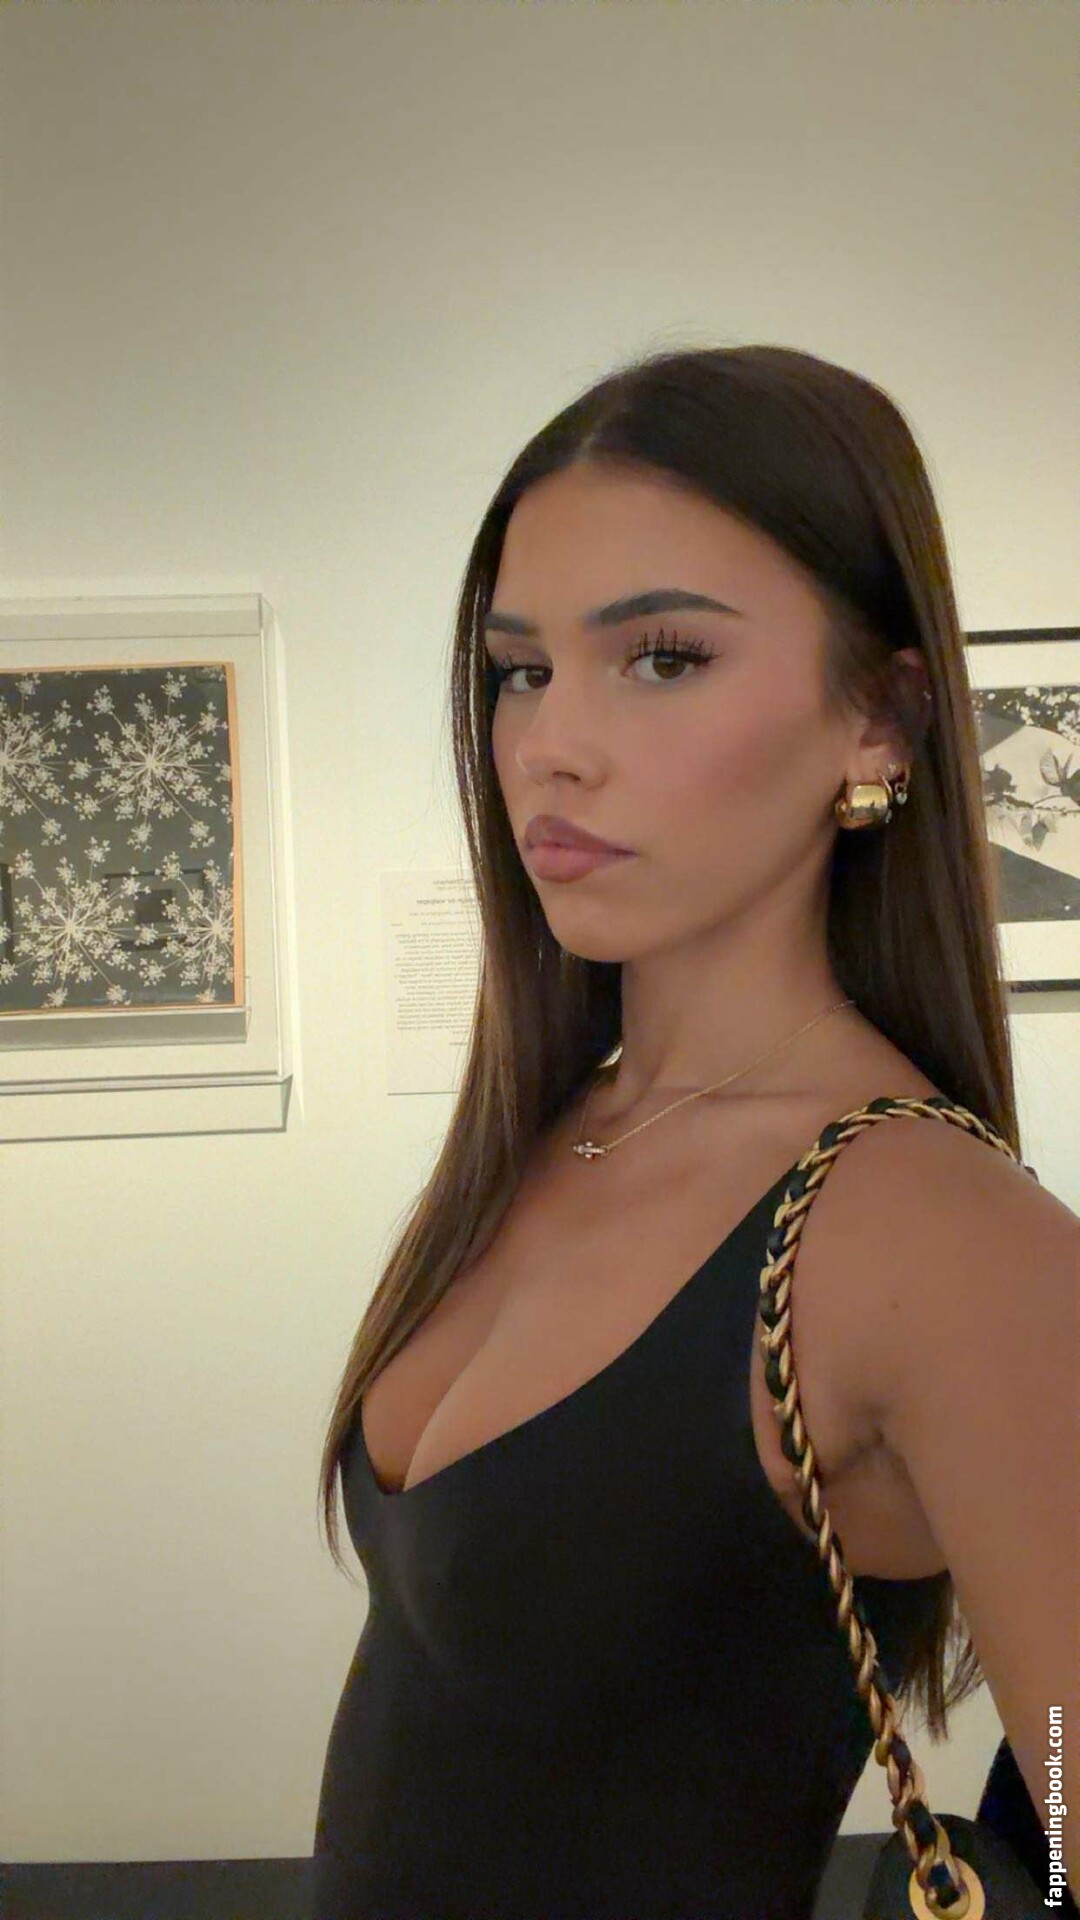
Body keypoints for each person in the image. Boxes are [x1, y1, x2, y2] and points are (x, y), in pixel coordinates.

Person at [311, 344, 1079, 1919]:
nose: (552, 742)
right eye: (521, 669)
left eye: (662, 658)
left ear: (882, 721)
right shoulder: (558, 1129)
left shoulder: (936, 1233)